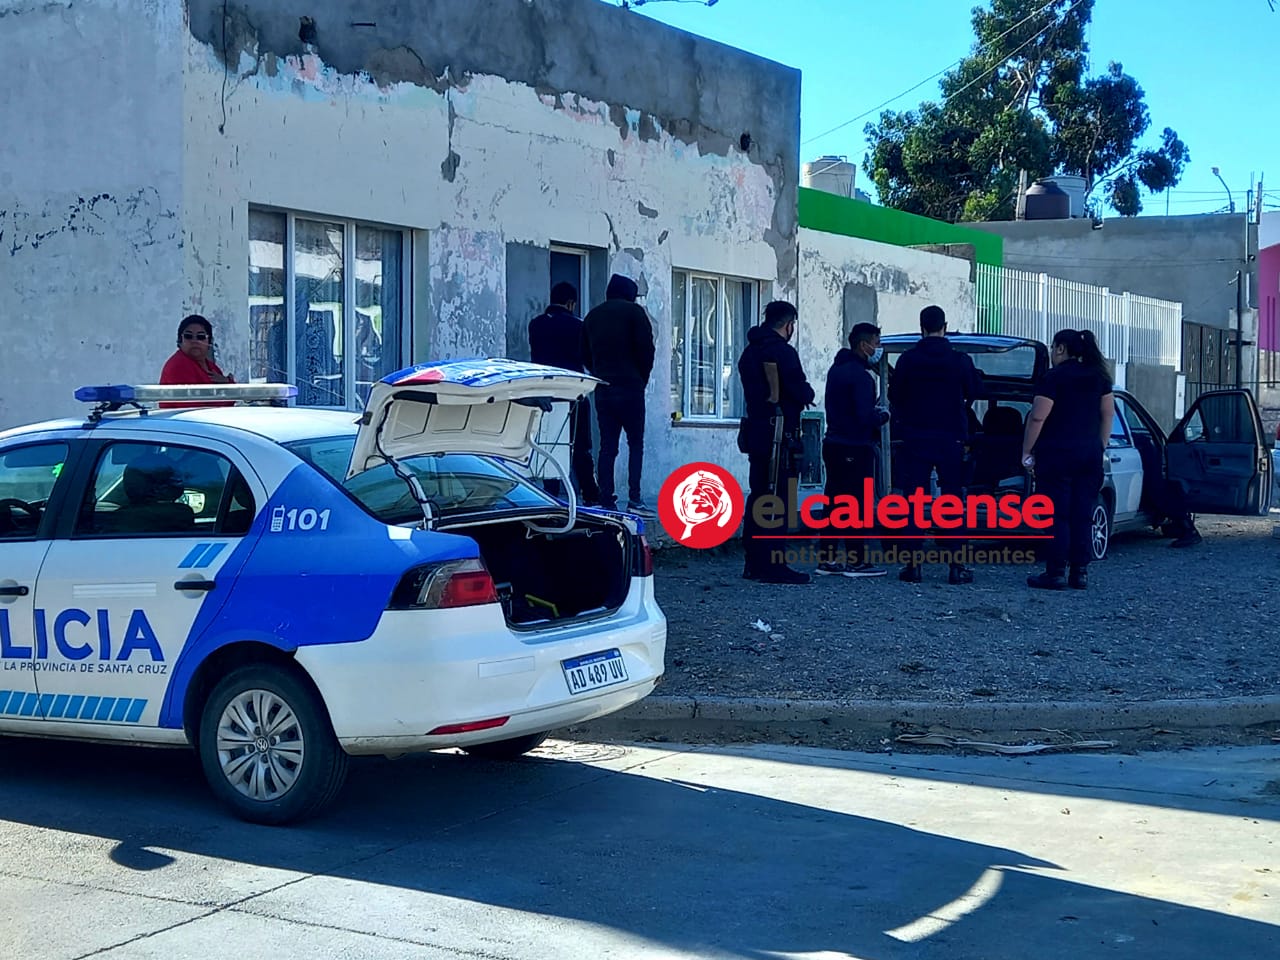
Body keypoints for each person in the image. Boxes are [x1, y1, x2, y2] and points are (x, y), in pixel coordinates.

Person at [888, 305, 981, 584]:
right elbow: (976, 391)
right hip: (951, 438)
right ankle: (956, 566)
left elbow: (895, 395)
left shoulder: (907, 360)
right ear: (945, 326)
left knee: (914, 501)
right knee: (952, 500)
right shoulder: (960, 360)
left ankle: (913, 566)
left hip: (916, 438)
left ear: (921, 327)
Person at [1020, 329, 1115, 590]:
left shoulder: (1053, 378)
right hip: (1089, 454)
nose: (1052, 353)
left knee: (1057, 514)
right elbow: (1108, 414)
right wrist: (1100, 445)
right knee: (1082, 512)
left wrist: (1027, 451)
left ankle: (1056, 572)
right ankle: (1080, 572)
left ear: (1061, 349)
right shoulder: (1099, 377)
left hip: (1057, 454)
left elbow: (1038, 417)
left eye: (1053, 348)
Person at [737, 300, 816, 584]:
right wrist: (804, 393)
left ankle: (754, 561)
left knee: (759, 494)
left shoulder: (749, 352)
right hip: (779, 434)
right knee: (779, 499)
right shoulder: (782, 352)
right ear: (789, 324)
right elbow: (799, 390)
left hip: (757, 432)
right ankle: (773, 563)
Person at [816, 322, 889, 578]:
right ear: (864, 345)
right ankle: (857, 561)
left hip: (834, 443)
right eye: (876, 344)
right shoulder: (860, 377)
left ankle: (827, 557)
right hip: (854, 446)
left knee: (834, 501)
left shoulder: (836, 370)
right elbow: (863, 415)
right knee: (856, 504)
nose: (877, 349)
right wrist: (882, 417)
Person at [581, 273, 656, 517]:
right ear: (630, 294)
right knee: (635, 444)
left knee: (607, 446)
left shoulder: (592, 316)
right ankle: (634, 497)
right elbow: (647, 350)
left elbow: (584, 354)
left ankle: (606, 500)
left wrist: (600, 374)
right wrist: (640, 378)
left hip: (603, 388)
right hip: (631, 387)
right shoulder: (635, 313)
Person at [529, 281, 602, 506]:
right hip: (573, 393)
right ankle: (590, 495)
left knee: (550, 445)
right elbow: (588, 359)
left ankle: (551, 495)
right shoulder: (578, 326)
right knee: (581, 448)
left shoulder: (535, 325)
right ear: (571, 303)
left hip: (545, 396)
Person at [159, 314, 235, 408]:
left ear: (209, 342)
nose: (194, 341)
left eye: (201, 336)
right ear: (180, 340)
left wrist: (228, 383)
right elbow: (194, 408)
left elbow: (227, 403)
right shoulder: (178, 365)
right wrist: (229, 385)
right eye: (188, 336)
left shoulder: (212, 367)